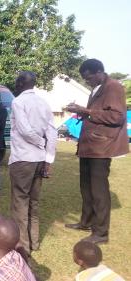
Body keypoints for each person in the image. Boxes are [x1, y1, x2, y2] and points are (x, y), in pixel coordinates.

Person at [65, 59, 129, 244]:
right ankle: (86, 222)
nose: (88, 82)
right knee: (86, 188)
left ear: (99, 71)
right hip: (89, 146)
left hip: (102, 148)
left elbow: (117, 116)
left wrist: (86, 110)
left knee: (99, 191)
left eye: (89, 78)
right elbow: (97, 112)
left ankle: (101, 233)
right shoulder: (99, 88)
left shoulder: (113, 87)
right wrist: (82, 112)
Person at [8, 71, 57, 255]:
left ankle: (22, 246)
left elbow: (24, 130)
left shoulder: (18, 101)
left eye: (16, 80)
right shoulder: (43, 103)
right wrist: (48, 158)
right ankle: (34, 242)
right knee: (33, 203)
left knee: (20, 202)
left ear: (21, 82)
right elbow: (52, 132)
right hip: (38, 160)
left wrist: (40, 142)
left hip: (23, 159)